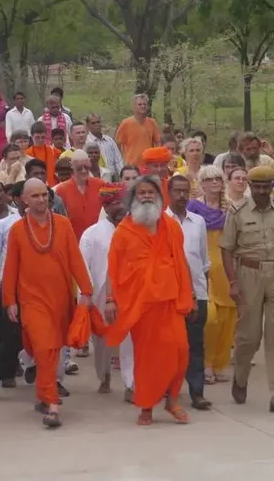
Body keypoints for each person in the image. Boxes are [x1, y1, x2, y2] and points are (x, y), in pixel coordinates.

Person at [2, 178, 93, 428]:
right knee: (44, 349)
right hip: (32, 301)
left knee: (52, 351)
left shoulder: (63, 225)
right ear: (24, 200)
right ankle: (52, 405)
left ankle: (43, 395)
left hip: (60, 299)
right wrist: (10, 300)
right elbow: (11, 268)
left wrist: (86, 289)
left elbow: (75, 259)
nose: (41, 199)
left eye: (44, 195)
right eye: (35, 196)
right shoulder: (18, 230)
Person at [105, 175, 194, 425]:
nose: (146, 196)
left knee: (180, 351)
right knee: (147, 358)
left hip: (170, 301)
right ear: (133, 198)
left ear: (158, 196)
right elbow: (113, 268)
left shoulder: (171, 227)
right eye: (141, 192)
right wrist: (111, 299)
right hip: (140, 305)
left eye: (150, 192)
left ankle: (172, 400)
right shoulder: (123, 231)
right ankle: (146, 406)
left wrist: (191, 294)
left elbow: (180, 262)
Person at [220, 165, 274, 415]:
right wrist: (232, 281)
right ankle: (241, 377)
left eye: (267, 186)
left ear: (273, 186)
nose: (263, 191)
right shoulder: (238, 211)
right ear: (251, 187)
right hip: (248, 274)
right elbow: (226, 248)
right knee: (249, 336)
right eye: (258, 187)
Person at [80, 183, 135, 399]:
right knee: (101, 341)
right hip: (100, 294)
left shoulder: (136, 229)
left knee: (130, 340)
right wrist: (84, 298)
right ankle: (104, 376)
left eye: (122, 202)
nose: (119, 207)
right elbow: (82, 266)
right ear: (106, 206)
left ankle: (131, 384)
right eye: (114, 204)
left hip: (130, 293)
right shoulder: (92, 234)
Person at [166, 175, 211, 410]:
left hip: (197, 294)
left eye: (186, 191)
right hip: (169, 296)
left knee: (195, 346)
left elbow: (204, 262)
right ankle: (167, 392)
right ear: (169, 193)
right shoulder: (160, 221)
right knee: (170, 347)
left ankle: (197, 392)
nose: (182, 196)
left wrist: (203, 292)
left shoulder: (199, 222)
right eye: (177, 191)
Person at [187, 166, 234, 384]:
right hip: (202, 268)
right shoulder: (193, 208)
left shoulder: (230, 210)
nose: (215, 182)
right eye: (210, 179)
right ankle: (205, 363)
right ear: (202, 183)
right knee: (211, 319)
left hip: (226, 267)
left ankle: (218, 364)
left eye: (218, 178)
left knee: (228, 317)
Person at [0, 182, 26, 395]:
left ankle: (50, 380)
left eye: (42, 196)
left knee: (45, 334)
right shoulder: (6, 226)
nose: (37, 201)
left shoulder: (54, 224)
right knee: (11, 337)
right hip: (10, 289)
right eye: (30, 196)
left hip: (41, 288)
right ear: (17, 199)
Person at [54, 150, 105, 240]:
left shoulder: (100, 185)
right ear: (72, 168)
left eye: (86, 167)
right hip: (74, 240)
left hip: (98, 239)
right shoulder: (61, 189)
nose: (84, 171)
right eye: (79, 168)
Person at [115, 93, 160, 166]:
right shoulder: (126, 123)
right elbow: (117, 145)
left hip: (148, 165)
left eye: (144, 104)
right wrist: (120, 162)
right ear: (134, 107)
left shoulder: (152, 122)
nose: (143, 106)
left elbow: (157, 143)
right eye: (140, 104)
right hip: (132, 166)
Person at [86, 113, 125, 179]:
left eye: (98, 122)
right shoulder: (87, 142)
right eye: (93, 123)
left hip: (112, 177)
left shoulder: (109, 140)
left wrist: (122, 175)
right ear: (88, 126)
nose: (96, 125)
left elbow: (118, 160)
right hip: (95, 177)